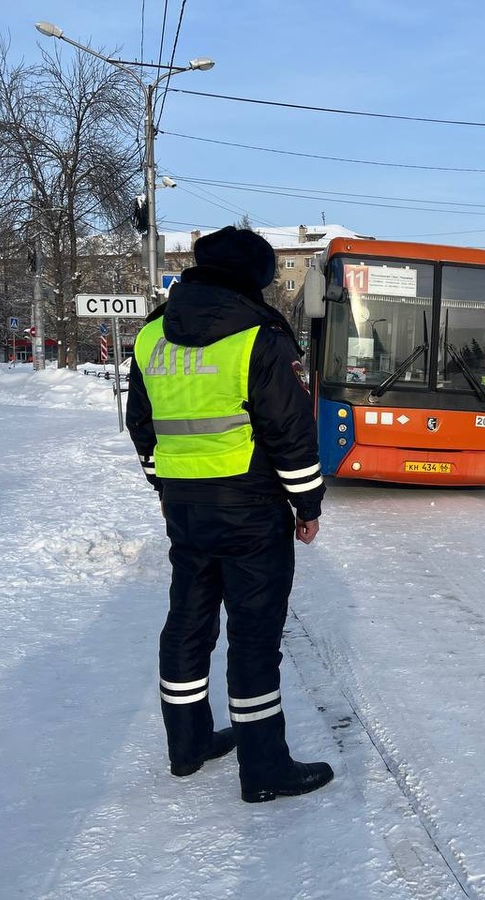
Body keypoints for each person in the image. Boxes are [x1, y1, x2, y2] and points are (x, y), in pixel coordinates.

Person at [127, 226, 333, 804]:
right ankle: (264, 768)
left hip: (185, 509)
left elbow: (141, 426)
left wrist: (163, 483)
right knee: (253, 637)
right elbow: (290, 433)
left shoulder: (151, 337)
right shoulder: (260, 336)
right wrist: (307, 504)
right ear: (255, 278)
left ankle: (187, 745)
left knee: (188, 624)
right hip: (250, 511)